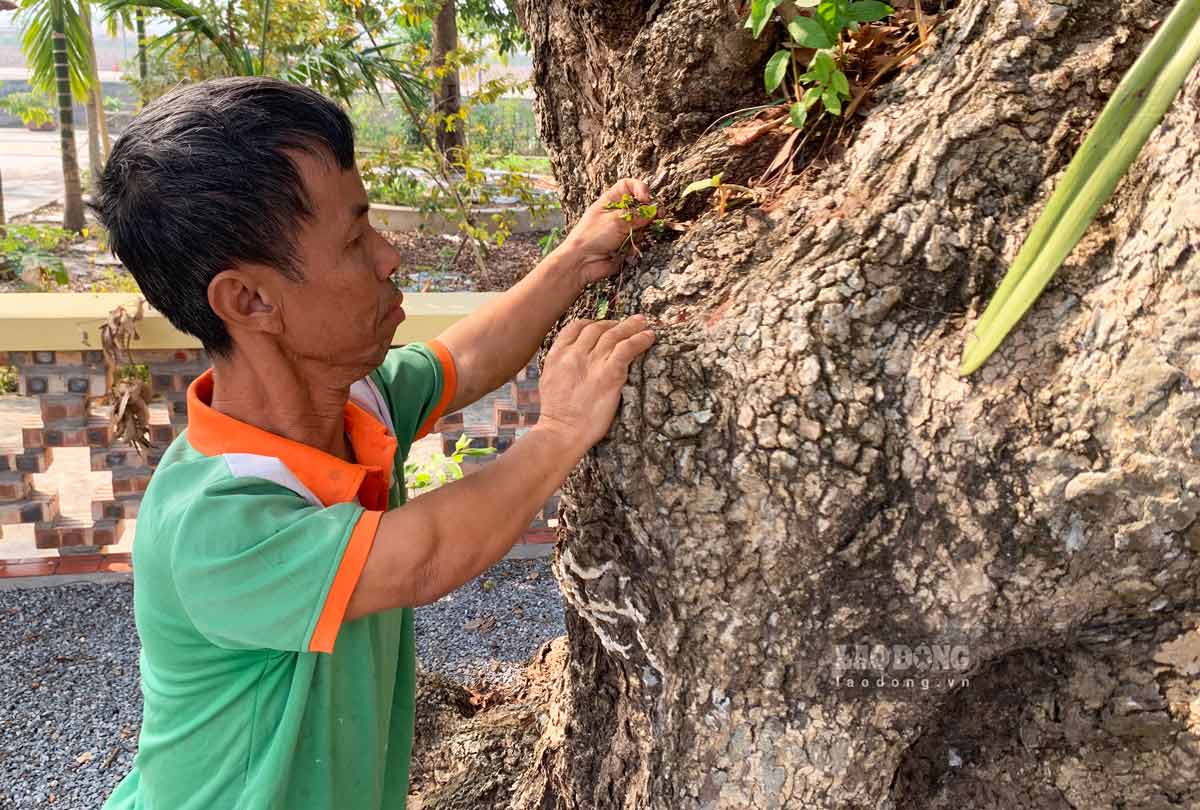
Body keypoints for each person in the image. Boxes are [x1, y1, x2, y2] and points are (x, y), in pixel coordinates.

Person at [93, 76, 656, 810]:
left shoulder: (351, 396)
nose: (390, 255)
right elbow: (420, 556)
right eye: (355, 237)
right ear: (250, 301)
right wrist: (559, 431)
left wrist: (577, 257)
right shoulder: (217, 524)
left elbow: (469, 357)